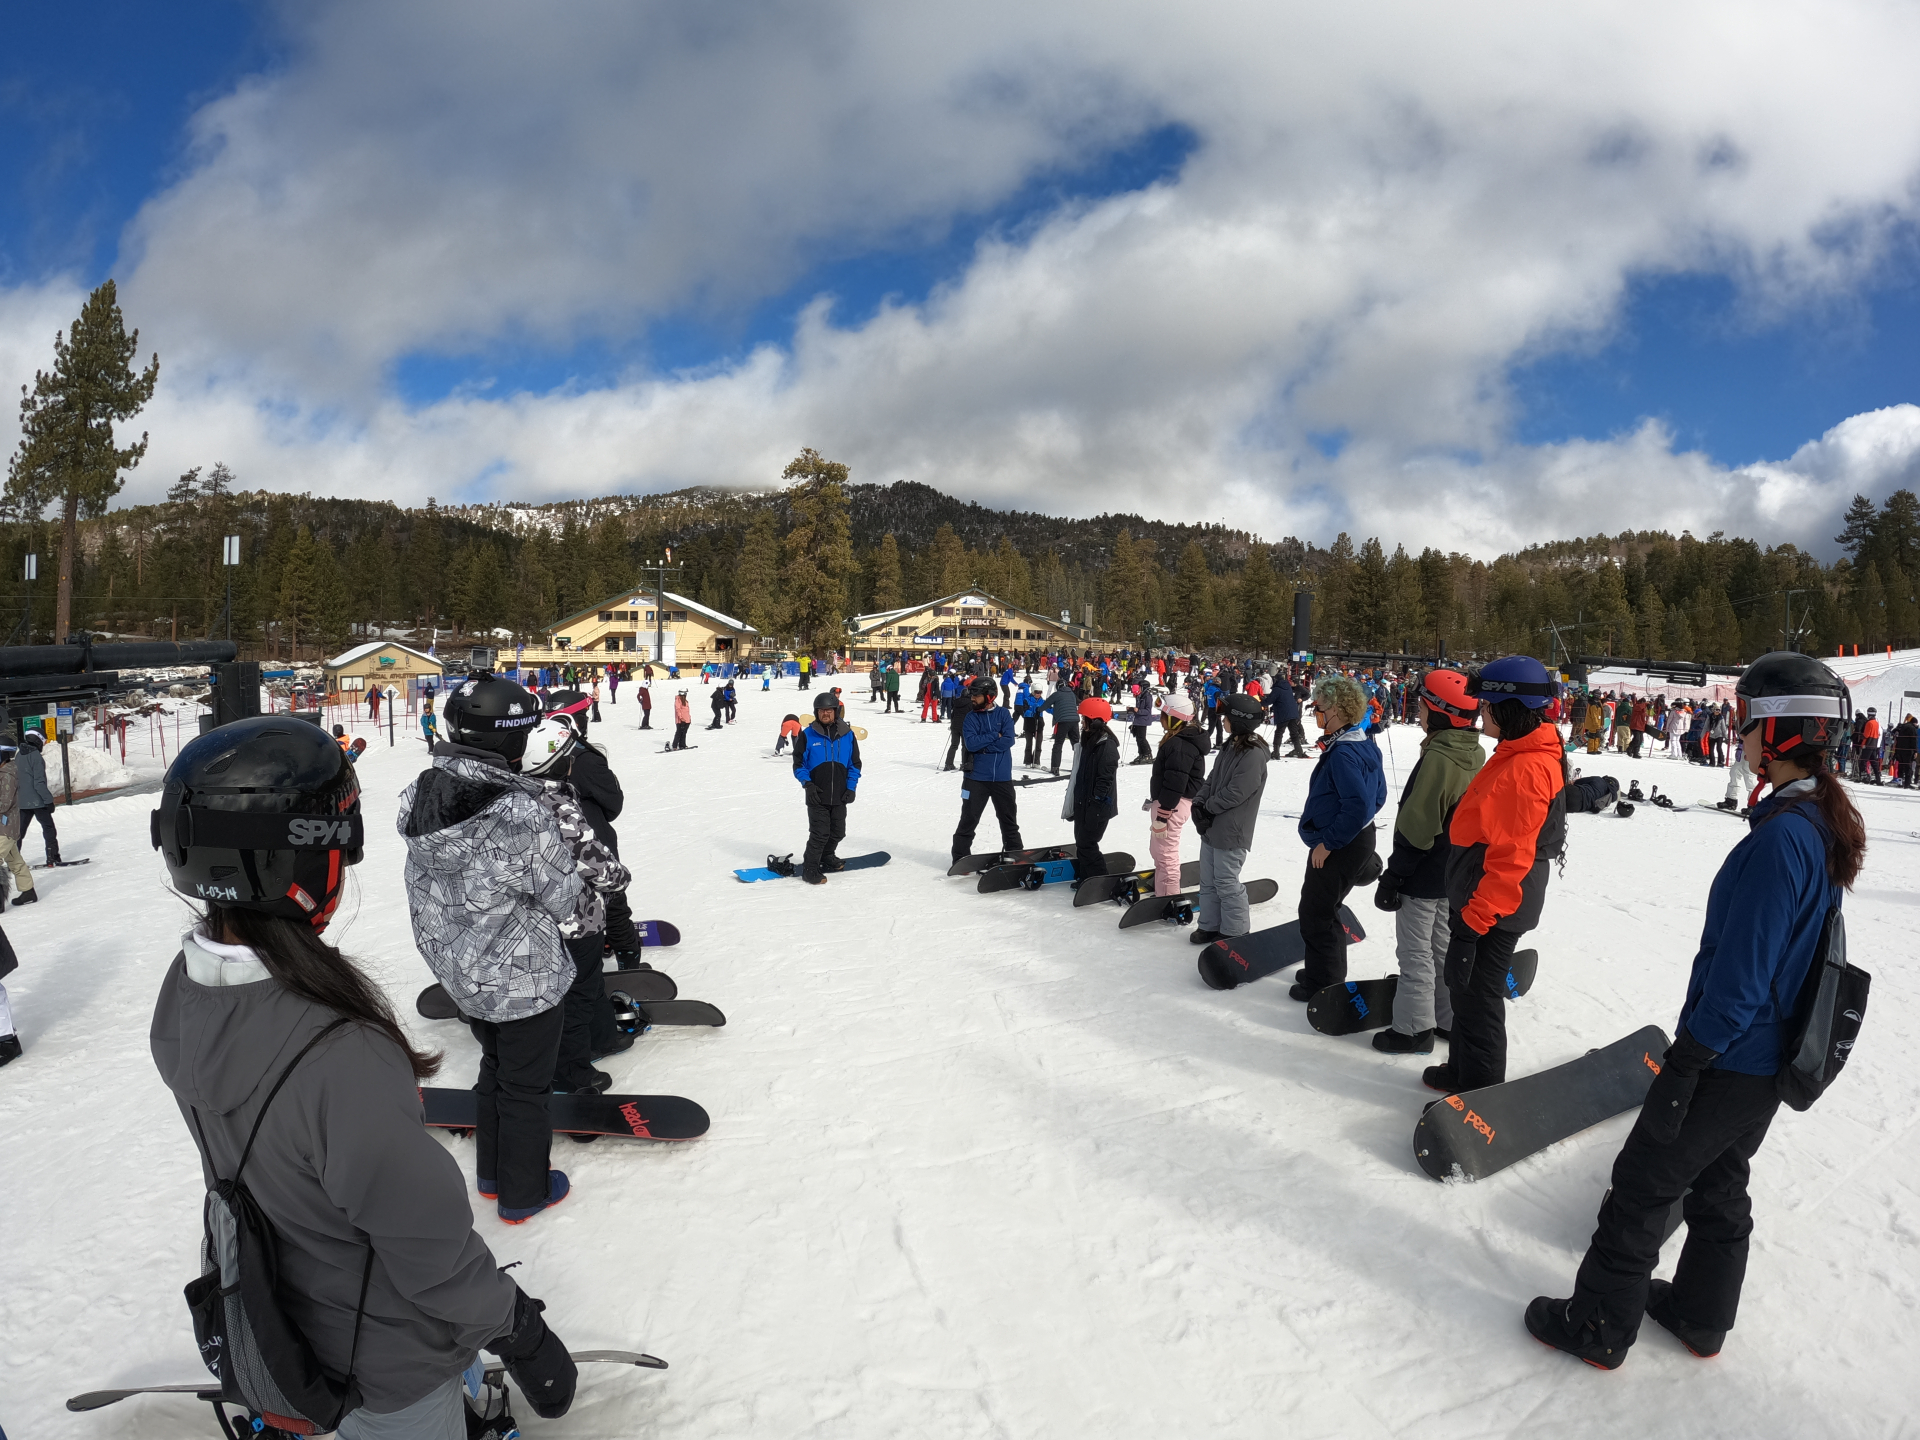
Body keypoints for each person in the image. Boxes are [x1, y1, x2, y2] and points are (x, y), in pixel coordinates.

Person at [150, 717, 578, 1436]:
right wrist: (520, 1330)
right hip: (388, 1365)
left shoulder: (186, 993)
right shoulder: (338, 1053)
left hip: (288, 1324)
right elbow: (427, 1251)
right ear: (306, 864)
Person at [1528, 652, 1863, 1369]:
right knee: (1718, 1179)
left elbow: (1743, 978)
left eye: (1747, 722)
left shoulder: (1783, 840)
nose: (1739, 734)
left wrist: (1689, 1059)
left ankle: (1597, 1326)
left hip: (1732, 1056)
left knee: (1643, 1185)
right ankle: (1699, 1313)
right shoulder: (1810, 824)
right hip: (1763, 1061)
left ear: (1777, 732)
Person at [400, 672, 605, 1224]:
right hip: (521, 976)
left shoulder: (425, 790)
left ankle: (492, 1173)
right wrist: (595, 905)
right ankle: (523, 1192)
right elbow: (565, 895)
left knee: (496, 1066)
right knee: (526, 1088)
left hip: (460, 967)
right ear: (508, 737)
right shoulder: (518, 811)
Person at [1424, 655, 1567, 1096]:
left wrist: (1471, 926)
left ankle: (1480, 1096)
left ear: (1510, 706)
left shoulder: (1526, 767)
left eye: (1486, 705)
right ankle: (1461, 1070)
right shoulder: (1520, 750)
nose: (1480, 713)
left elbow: (1511, 859)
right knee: (1466, 992)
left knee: (1479, 998)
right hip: (1483, 896)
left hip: (1495, 905)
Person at [1370, 670, 1486, 1054]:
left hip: (1424, 874)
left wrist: (1395, 877)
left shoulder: (1439, 758)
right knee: (1441, 949)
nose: (1418, 712)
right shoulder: (1474, 751)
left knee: (1416, 954)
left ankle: (1413, 1030)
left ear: (1440, 713)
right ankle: (1447, 1018)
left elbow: (1417, 827)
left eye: (1423, 706)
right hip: (1454, 875)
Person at [522, 708, 635, 1085]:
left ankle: (602, 1037)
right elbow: (594, 862)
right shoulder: (558, 807)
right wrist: (619, 878)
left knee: (578, 986)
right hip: (575, 920)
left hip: (538, 917)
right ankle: (573, 1071)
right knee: (579, 991)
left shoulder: (520, 796)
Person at [1291, 675, 1385, 995]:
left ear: (1337, 711)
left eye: (1320, 707)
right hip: (1352, 838)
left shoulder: (1345, 753)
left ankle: (1324, 983)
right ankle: (1323, 970)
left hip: (1339, 843)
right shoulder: (1362, 742)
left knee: (1317, 912)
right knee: (1323, 907)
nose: (1315, 712)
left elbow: (1358, 805)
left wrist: (1329, 843)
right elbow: (1379, 795)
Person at [1187, 695, 1269, 945]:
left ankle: (1236, 930)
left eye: (1226, 718)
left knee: (1226, 881)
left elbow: (1238, 790)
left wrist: (1209, 808)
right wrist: (1199, 803)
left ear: (1239, 721)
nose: (1222, 722)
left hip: (1232, 829)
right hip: (1212, 826)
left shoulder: (1253, 754)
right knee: (1208, 880)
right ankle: (1210, 925)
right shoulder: (1232, 745)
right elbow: (1212, 778)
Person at [952, 677, 1023, 863]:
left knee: (1009, 822)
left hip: (1002, 779)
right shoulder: (970, 717)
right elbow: (972, 744)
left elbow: (1009, 740)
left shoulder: (1003, 715)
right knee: (968, 820)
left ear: (989, 696)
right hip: (975, 778)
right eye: (972, 694)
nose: (972, 698)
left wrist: (985, 746)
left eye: (976, 695)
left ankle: (1016, 854)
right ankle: (960, 858)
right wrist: (994, 736)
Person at [793, 691, 861, 884]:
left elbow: (854, 764)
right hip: (817, 795)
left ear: (836, 712)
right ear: (816, 712)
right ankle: (810, 869)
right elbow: (799, 764)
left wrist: (851, 787)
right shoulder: (808, 735)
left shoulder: (847, 735)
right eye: (822, 710)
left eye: (829, 710)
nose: (825, 714)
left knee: (838, 832)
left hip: (840, 795)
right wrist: (808, 785)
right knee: (820, 834)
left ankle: (827, 856)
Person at [1147, 692, 1208, 896]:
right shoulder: (1178, 741)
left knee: (1165, 854)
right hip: (1170, 804)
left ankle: (1168, 897)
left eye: (1164, 715)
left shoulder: (1179, 745)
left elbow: (1176, 781)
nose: (1160, 720)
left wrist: (1163, 812)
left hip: (1171, 806)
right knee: (1160, 851)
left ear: (1175, 719)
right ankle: (1163, 890)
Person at [1062, 698, 1120, 882]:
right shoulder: (1088, 741)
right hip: (1083, 803)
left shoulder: (1106, 745)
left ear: (1094, 720)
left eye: (1084, 718)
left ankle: (1099, 881)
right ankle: (1086, 877)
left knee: (1087, 844)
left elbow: (1105, 780)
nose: (1081, 722)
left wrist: (1095, 805)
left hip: (1097, 806)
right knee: (1081, 843)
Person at [0, 749, 40, 909]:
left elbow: (4, 803)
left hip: (5, 827)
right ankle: (28, 891)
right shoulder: (5, 771)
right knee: (15, 861)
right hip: (6, 826)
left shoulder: (7, 775)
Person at [15, 730, 59, 864]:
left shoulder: (18, 755)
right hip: (38, 801)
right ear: (37, 740)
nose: (43, 744)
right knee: (48, 828)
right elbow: (39, 782)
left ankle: (14, 862)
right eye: (43, 741)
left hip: (22, 801)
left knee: (19, 833)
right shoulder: (36, 756)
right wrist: (48, 800)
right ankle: (52, 857)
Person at [1045, 677, 1082, 775]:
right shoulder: (1072, 694)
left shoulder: (1056, 694)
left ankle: (1055, 767)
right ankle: (1080, 766)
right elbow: (1079, 702)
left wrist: (1038, 710)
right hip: (1075, 721)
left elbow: (1044, 705)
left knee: (1058, 744)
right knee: (1076, 744)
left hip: (1063, 721)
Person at [1271, 672, 1309, 758]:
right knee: (1287, 731)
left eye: (1291, 681)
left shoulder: (1299, 688)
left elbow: (1308, 694)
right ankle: (1297, 748)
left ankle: (1301, 740)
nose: (1290, 682)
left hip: (1296, 709)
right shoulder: (1287, 688)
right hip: (1289, 709)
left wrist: (1301, 699)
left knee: (1296, 725)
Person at [1127, 686, 1155, 763]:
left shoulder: (1147, 696)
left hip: (1143, 720)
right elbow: (1138, 708)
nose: (1138, 690)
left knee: (1142, 738)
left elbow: (1148, 710)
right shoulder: (1139, 696)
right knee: (1138, 738)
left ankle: (1147, 754)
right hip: (1138, 719)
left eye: (1139, 688)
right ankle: (1141, 754)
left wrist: (1138, 711)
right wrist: (1131, 709)